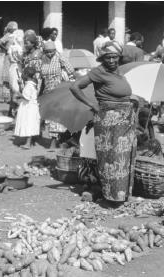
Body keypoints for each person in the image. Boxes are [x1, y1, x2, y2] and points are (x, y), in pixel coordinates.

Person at [70, 41, 137, 202]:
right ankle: (111, 195)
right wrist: (90, 104)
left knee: (124, 157)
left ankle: (124, 194)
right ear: (103, 58)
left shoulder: (119, 72)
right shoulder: (98, 72)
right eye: (108, 58)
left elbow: (121, 93)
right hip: (109, 121)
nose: (112, 61)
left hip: (125, 121)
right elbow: (75, 86)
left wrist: (131, 100)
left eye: (114, 57)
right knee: (111, 158)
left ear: (119, 57)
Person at [40, 41, 75, 148]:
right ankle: (59, 140)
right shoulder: (43, 59)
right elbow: (42, 77)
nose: (50, 54)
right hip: (47, 92)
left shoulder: (60, 58)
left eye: (51, 52)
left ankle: (53, 142)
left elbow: (71, 71)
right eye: (47, 52)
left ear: (55, 50)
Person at [14, 67, 40, 149]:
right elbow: (26, 93)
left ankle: (28, 144)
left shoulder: (29, 85)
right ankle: (28, 141)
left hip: (28, 108)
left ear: (26, 75)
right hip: (31, 107)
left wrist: (18, 94)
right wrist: (20, 84)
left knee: (28, 124)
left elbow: (26, 97)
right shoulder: (32, 83)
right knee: (30, 123)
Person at [0, 21, 19, 111]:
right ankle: (7, 98)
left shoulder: (16, 36)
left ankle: (13, 96)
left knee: (14, 76)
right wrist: (6, 49)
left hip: (14, 58)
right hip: (8, 58)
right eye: (15, 28)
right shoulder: (8, 35)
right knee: (7, 77)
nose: (16, 29)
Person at [7, 30, 25, 117]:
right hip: (18, 68)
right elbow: (21, 59)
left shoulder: (11, 47)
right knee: (18, 89)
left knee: (12, 90)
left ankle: (11, 110)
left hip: (12, 68)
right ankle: (16, 110)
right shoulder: (20, 48)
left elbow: (10, 58)